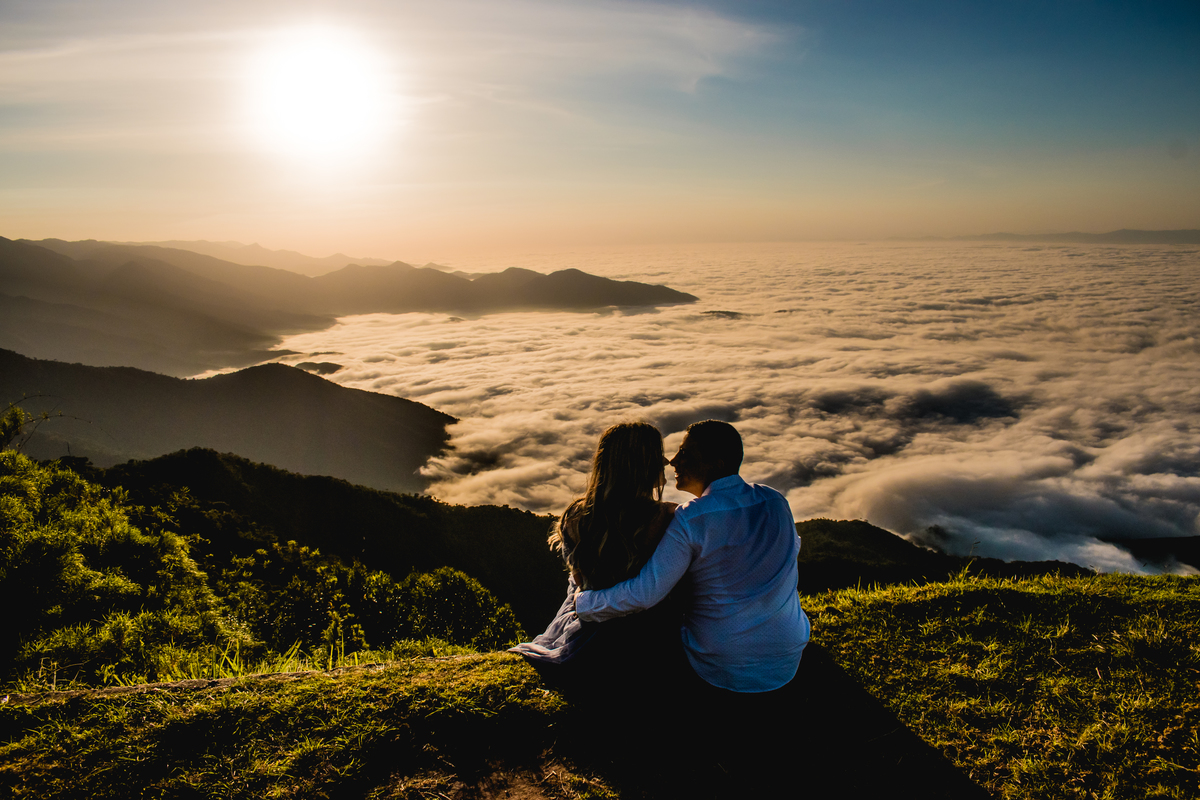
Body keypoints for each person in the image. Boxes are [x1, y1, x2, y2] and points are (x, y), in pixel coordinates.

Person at [574, 419, 810, 696]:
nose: (673, 461)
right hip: (788, 652)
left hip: (720, 662)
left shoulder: (692, 517)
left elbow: (644, 594)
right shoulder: (775, 501)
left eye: (685, 453)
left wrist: (584, 603)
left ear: (717, 465)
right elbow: (791, 550)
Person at [510, 421, 680, 692]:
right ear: (640, 464)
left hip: (589, 637)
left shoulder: (576, 517)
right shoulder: (668, 517)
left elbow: (579, 582)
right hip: (650, 642)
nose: (666, 461)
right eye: (657, 455)